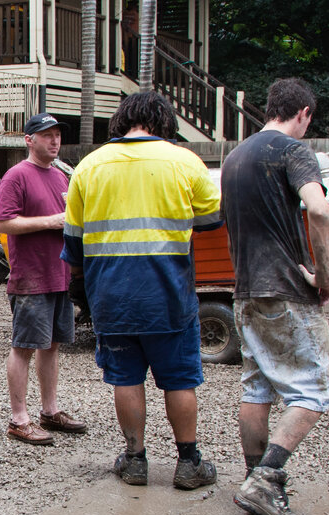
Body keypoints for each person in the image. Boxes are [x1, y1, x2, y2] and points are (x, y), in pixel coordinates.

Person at [64, 90, 222, 489]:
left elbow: (73, 242)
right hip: (169, 294)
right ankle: (189, 464)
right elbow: (211, 219)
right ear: (163, 122)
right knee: (180, 379)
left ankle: (135, 461)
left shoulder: (89, 166)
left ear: (122, 120)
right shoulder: (184, 161)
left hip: (112, 297)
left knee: (126, 378)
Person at [219, 78, 329, 515]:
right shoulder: (292, 152)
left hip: (246, 289)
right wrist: (324, 277)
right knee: (319, 387)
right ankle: (267, 480)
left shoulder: (234, 157)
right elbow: (320, 211)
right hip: (286, 289)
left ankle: (253, 484)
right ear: (303, 113)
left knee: (258, 387)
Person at [0, 114, 86, 445]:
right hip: (30, 276)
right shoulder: (17, 175)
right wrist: (49, 222)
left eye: (57, 135)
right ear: (29, 140)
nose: (54, 141)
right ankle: (19, 419)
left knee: (52, 345)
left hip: (58, 274)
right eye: (46, 135)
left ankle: (50, 410)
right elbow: (1, 223)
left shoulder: (61, 177)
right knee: (24, 347)